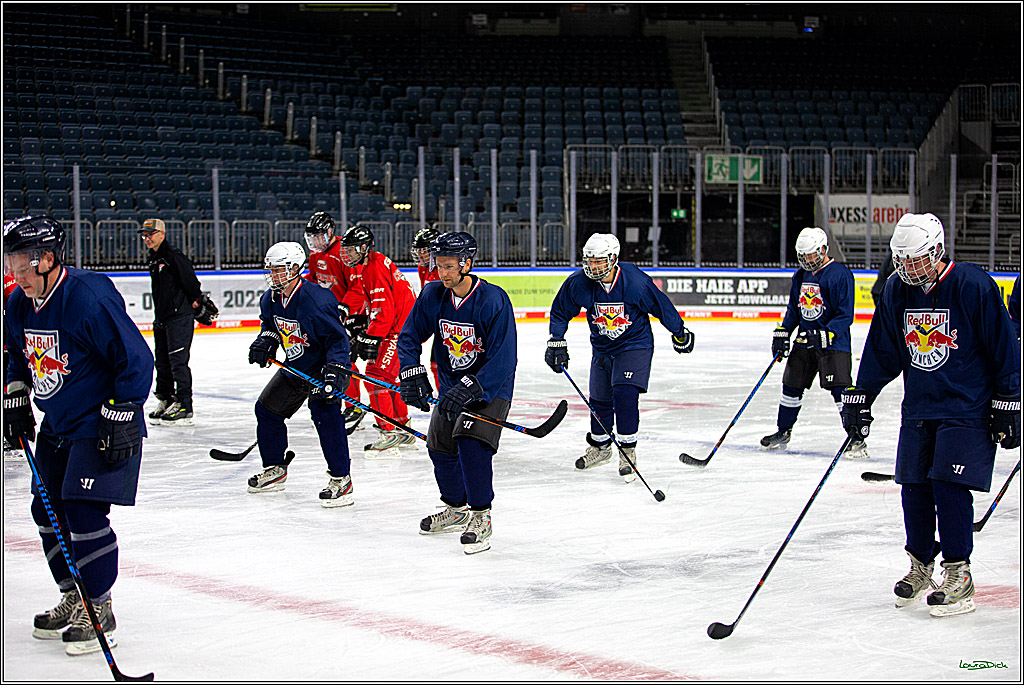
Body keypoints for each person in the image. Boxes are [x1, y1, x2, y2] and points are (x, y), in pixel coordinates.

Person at [841, 212, 1020, 617]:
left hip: (967, 407)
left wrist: (1010, 400)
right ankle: (921, 565)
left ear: (937, 251)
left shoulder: (973, 285)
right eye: (900, 260)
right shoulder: (895, 292)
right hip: (920, 407)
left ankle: (959, 573)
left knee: (948, 485)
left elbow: (1003, 345)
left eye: (915, 259)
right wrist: (861, 394)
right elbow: (883, 350)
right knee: (913, 486)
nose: (907, 267)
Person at [3, 215, 154, 655]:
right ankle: (75, 594)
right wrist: (14, 394)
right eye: (9, 261)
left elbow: (136, 358)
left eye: (21, 262)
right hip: (59, 423)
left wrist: (124, 409)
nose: (15, 272)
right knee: (46, 510)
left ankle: (99, 605)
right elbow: (16, 354)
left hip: (101, 421)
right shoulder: (18, 303)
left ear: (48, 258)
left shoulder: (88, 296)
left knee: (83, 513)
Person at [397, 231, 517, 554]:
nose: (443, 272)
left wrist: (470, 387)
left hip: (490, 389)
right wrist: (412, 370)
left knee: (470, 442)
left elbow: (504, 358)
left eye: (449, 265)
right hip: (452, 388)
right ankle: (455, 507)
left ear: (467, 262)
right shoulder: (433, 295)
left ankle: (481, 516)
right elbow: (408, 337)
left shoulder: (493, 300)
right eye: (439, 265)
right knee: (439, 444)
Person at [546, 232, 694, 482]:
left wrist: (680, 332)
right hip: (603, 348)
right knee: (600, 399)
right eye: (589, 260)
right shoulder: (579, 283)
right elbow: (560, 311)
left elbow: (661, 306)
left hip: (635, 344)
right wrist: (556, 340)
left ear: (613, 259)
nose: (593, 266)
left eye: (599, 261)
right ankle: (601, 447)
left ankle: (628, 452)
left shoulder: (634, 281)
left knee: (624, 393)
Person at [246, 242, 355, 505]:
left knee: (325, 415)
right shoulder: (270, 299)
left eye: (278, 269)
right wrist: (267, 341)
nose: (273, 274)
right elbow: (270, 326)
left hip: (322, 369)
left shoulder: (316, 300)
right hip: (296, 367)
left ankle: (342, 479)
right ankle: (275, 468)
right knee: (267, 410)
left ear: (295, 268)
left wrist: (335, 372)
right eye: (270, 269)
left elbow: (338, 340)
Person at [760, 227, 864, 458]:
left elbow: (845, 315)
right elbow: (794, 311)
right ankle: (783, 431)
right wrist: (783, 331)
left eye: (811, 255)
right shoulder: (800, 275)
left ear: (823, 250)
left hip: (833, 344)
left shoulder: (840, 274)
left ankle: (855, 437)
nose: (807, 260)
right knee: (791, 386)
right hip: (805, 341)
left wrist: (827, 334)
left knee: (840, 391)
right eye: (803, 256)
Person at [339, 224, 418, 454]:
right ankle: (403, 428)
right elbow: (372, 302)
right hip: (399, 327)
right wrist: (359, 321)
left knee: (375, 377)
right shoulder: (368, 265)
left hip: (400, 330)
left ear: (364, 247)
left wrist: (371, 336)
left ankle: (390, 431)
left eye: (352, 249)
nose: (348, 254)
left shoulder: (374, 267)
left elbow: (384, 308)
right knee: (387, 379)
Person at [303, 211, 367, 435]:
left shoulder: (344, 252)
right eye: (311, 238)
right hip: (328, 316)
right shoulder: (315, 255)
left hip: (350, 316)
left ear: (330, 233)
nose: (315, 243)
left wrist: (345, 310)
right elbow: (312, 280)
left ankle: (355, 405)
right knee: (327, 360)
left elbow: (358, 288)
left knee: (344, 360)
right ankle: (339, 399)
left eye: (318, 237)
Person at [140, 218, 203, 426]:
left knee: (178, 362)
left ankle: (185, 404)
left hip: (179, 317)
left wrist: (194, 302)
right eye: (145, 235)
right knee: (162, 362)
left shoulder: (173, 257)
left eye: (150, 234)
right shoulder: (154, 258)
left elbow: (192, 284)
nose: (146, 238)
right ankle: (165, 399)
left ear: (162, 234)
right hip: (162, 318)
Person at [411, 226, 441, 388]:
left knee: (440, 364)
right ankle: (443, 396)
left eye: (424, 251)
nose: (420, 255)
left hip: (448, 324)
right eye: (418, 251)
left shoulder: (446, 269)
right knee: (435, 365)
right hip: (436, 323)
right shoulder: (423, 268)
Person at [3, 269, 22, 460]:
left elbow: (17, 311)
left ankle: (13, 436)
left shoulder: (9, 282)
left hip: (8, 349)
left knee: (9, 391)